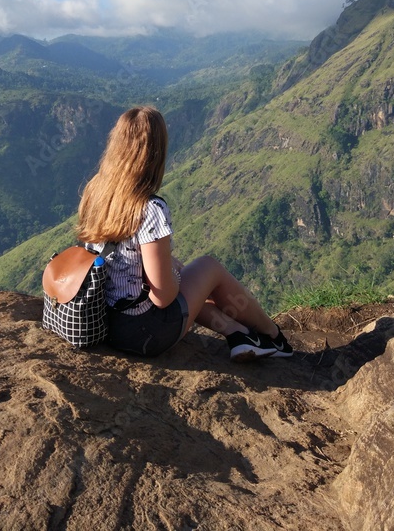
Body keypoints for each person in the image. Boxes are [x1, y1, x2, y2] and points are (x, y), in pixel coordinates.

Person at [76, 105, 293, 361]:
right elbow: (163, 296)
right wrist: (175, 273)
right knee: (208, 267)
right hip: (143, 334)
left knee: (186, 280)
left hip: (101, 319)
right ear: (156, 152)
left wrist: (167, 271)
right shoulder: (149, 208)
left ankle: (239, 333)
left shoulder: (95, 191)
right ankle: (274, 336)